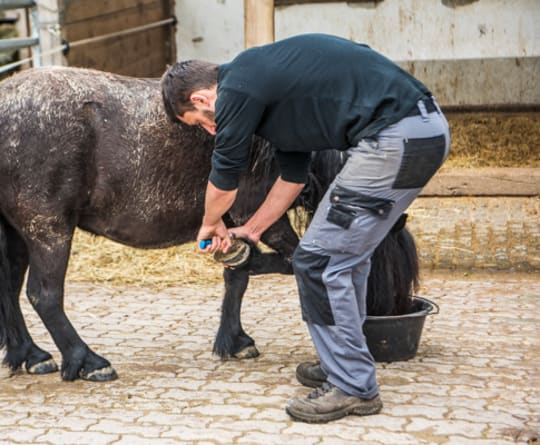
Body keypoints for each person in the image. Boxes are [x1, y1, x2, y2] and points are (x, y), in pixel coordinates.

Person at [160, 33, 450, 423]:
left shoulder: (238, 86)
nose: (210, 130)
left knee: (317, 261)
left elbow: (225, 173)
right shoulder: (272, 90)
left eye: (200, 123)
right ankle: (344, 364)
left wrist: (210, 224)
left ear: (201, 99)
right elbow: (293, 176)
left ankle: (353, 386)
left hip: (394, 138)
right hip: (422, 131)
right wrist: (253, 229)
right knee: (347, 258)